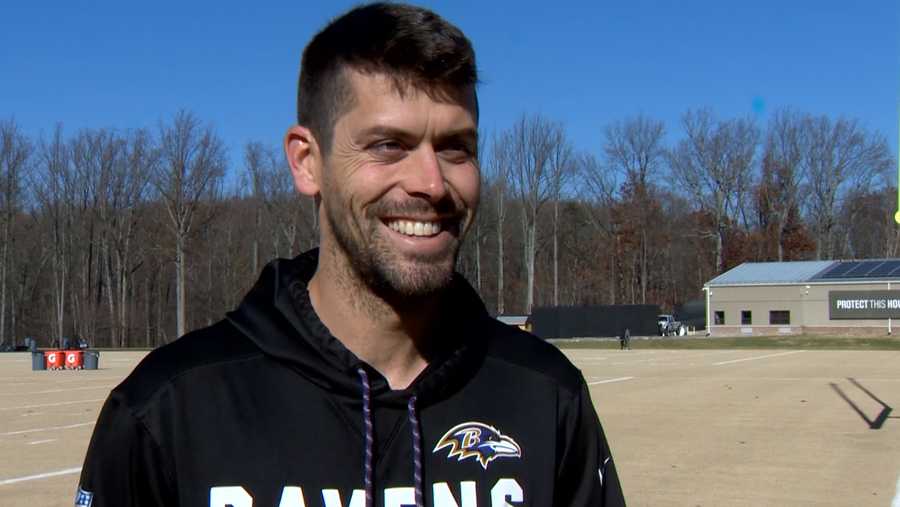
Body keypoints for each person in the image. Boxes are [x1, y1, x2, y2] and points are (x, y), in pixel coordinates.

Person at [77, 3, 625, 506]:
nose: (431, 183)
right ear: (306, 161)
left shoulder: (545, 397)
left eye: (456, 147)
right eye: (389, 145)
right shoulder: (170, 409)